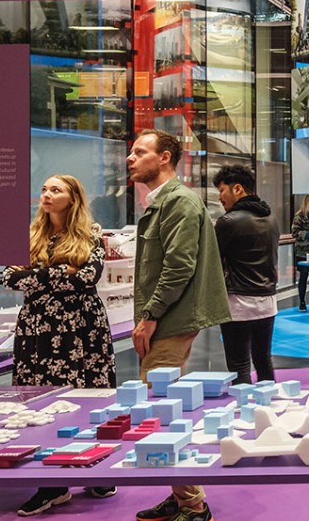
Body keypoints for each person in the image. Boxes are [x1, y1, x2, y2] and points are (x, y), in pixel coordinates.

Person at [127, 131, 230, 521]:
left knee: (160, 412)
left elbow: (178, 267)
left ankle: (193, 504)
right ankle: (181, 495)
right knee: (162, 408)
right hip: (167, 318)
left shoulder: (179, 202)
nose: (130, 158)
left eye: (140, 152)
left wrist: (149, 316)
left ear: (165, 157)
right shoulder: (164, 202)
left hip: (169, 320)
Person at [3, 175, 117, 517]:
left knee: (87, 400)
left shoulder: (91, 233)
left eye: (56, 190)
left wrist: (36, 276)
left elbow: (87, 278)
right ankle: (52, 484)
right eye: (44, 189)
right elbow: (9, 278)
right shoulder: (28, 234)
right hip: (38, 331)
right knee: (43, 404)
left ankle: (93, 468)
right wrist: (59, 273)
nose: (47, 195)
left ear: (73, 198)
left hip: (81, 329)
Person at [213, 165, 278, 387]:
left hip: (237, 303)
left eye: (222, 190)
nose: (220, 197)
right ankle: (269, 403)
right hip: (267, 301)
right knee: (263, 359)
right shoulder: (271, 218)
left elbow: (213, 259)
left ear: (238, 189)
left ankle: (243, 408)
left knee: (239, 366)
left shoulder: (228, 221)